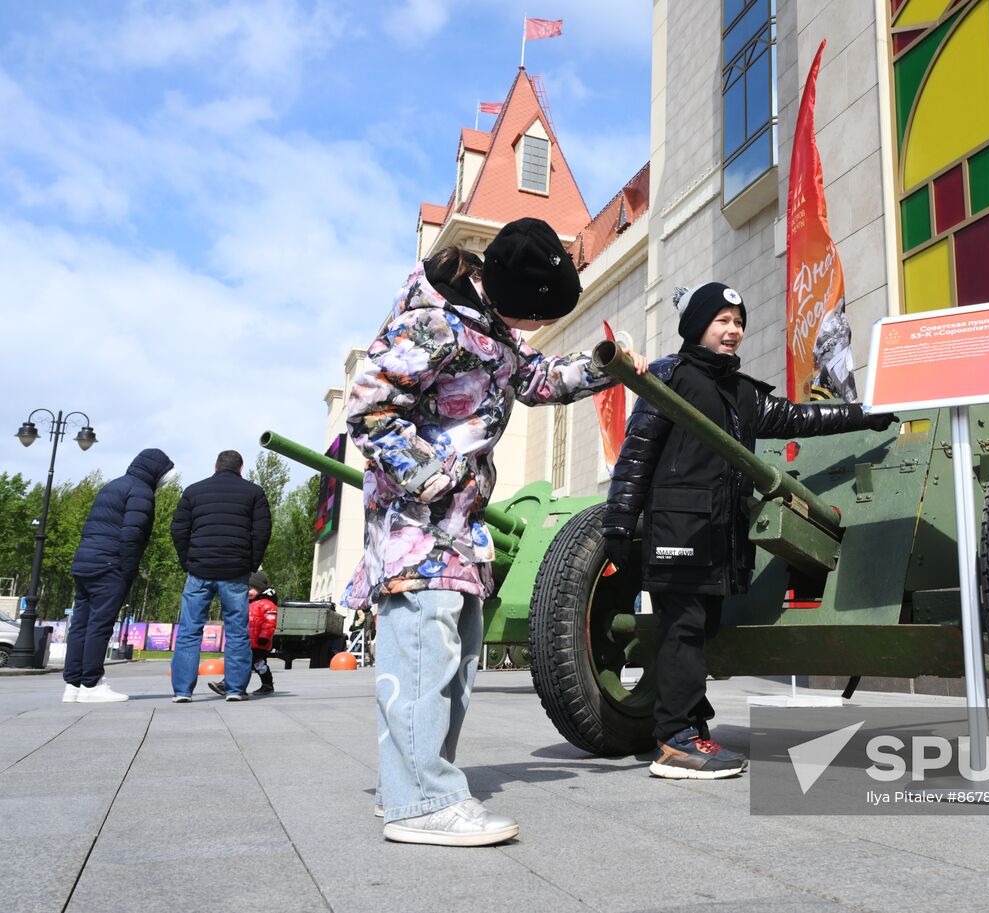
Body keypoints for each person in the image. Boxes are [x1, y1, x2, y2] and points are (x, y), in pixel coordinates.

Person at [344, 218, 648, 848]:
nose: (536, 329)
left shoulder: (494, 330)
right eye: (540, 315)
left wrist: (607, 367)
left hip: (459, 521)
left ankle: (411, 787)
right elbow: (369, 409)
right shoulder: (433, 322)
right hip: (415, 519)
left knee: (457, 655)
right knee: (425, 648)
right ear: (516, 294)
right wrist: (435, 480)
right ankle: (422, 802)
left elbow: (538, 382)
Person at [602, 282, 895, 779]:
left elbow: (801, 417)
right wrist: (619, 526)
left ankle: (691, 727)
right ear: (698, 326)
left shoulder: (741, 393)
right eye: (722, 321)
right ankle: (675, 742)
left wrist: (862, 415)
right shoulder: (668, 378)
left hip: (722, 533)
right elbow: (637, 456)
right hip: (680, 527)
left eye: (738, 323)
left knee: (700, 630)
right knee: (683, 629)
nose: (733, 331)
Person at [63, 448, 174, 703]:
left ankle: (73, 685)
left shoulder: (113, 485)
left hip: (85, 562)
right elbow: (133, 534)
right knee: (100, 625)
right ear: (156, 472)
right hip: (110, 565)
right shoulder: (142, 492)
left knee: (81, 623)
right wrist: (128, 570)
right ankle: (91, 684)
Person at [169, 450, 271, 703]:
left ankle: (182, 691)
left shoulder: (194, 491)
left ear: (215, 466)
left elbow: (178, 528)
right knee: (237, 632)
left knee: (189, 631)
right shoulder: (254, 492)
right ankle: (235, 689)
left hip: (199, 571)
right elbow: (262, 531)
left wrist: (188, 561)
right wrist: (251, 564)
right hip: (235, 573)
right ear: (241, 468)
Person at [208, 570, 278, 697]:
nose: (248, 591)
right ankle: (267, 685)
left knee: (243, 663)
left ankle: (227, 684)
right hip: (248, 641)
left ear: (260, 589)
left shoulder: (267, 604)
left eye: (252, 588)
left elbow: (270, 623)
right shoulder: (249, 603)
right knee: (259, 665)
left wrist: (264, 637)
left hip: (260, 643)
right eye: (247, 588)